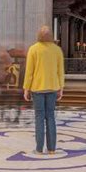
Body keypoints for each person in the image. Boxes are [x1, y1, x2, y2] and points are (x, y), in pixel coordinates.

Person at [23, 26, 65, 155]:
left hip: (37, 88)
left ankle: (39, 149)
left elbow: (29, 72)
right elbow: (60, 71)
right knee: (50, 117)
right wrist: (61, 88)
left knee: (39, 118)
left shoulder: (33, 49)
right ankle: (52, 149)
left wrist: (26, 89)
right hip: (52, 88)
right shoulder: (57, 50)